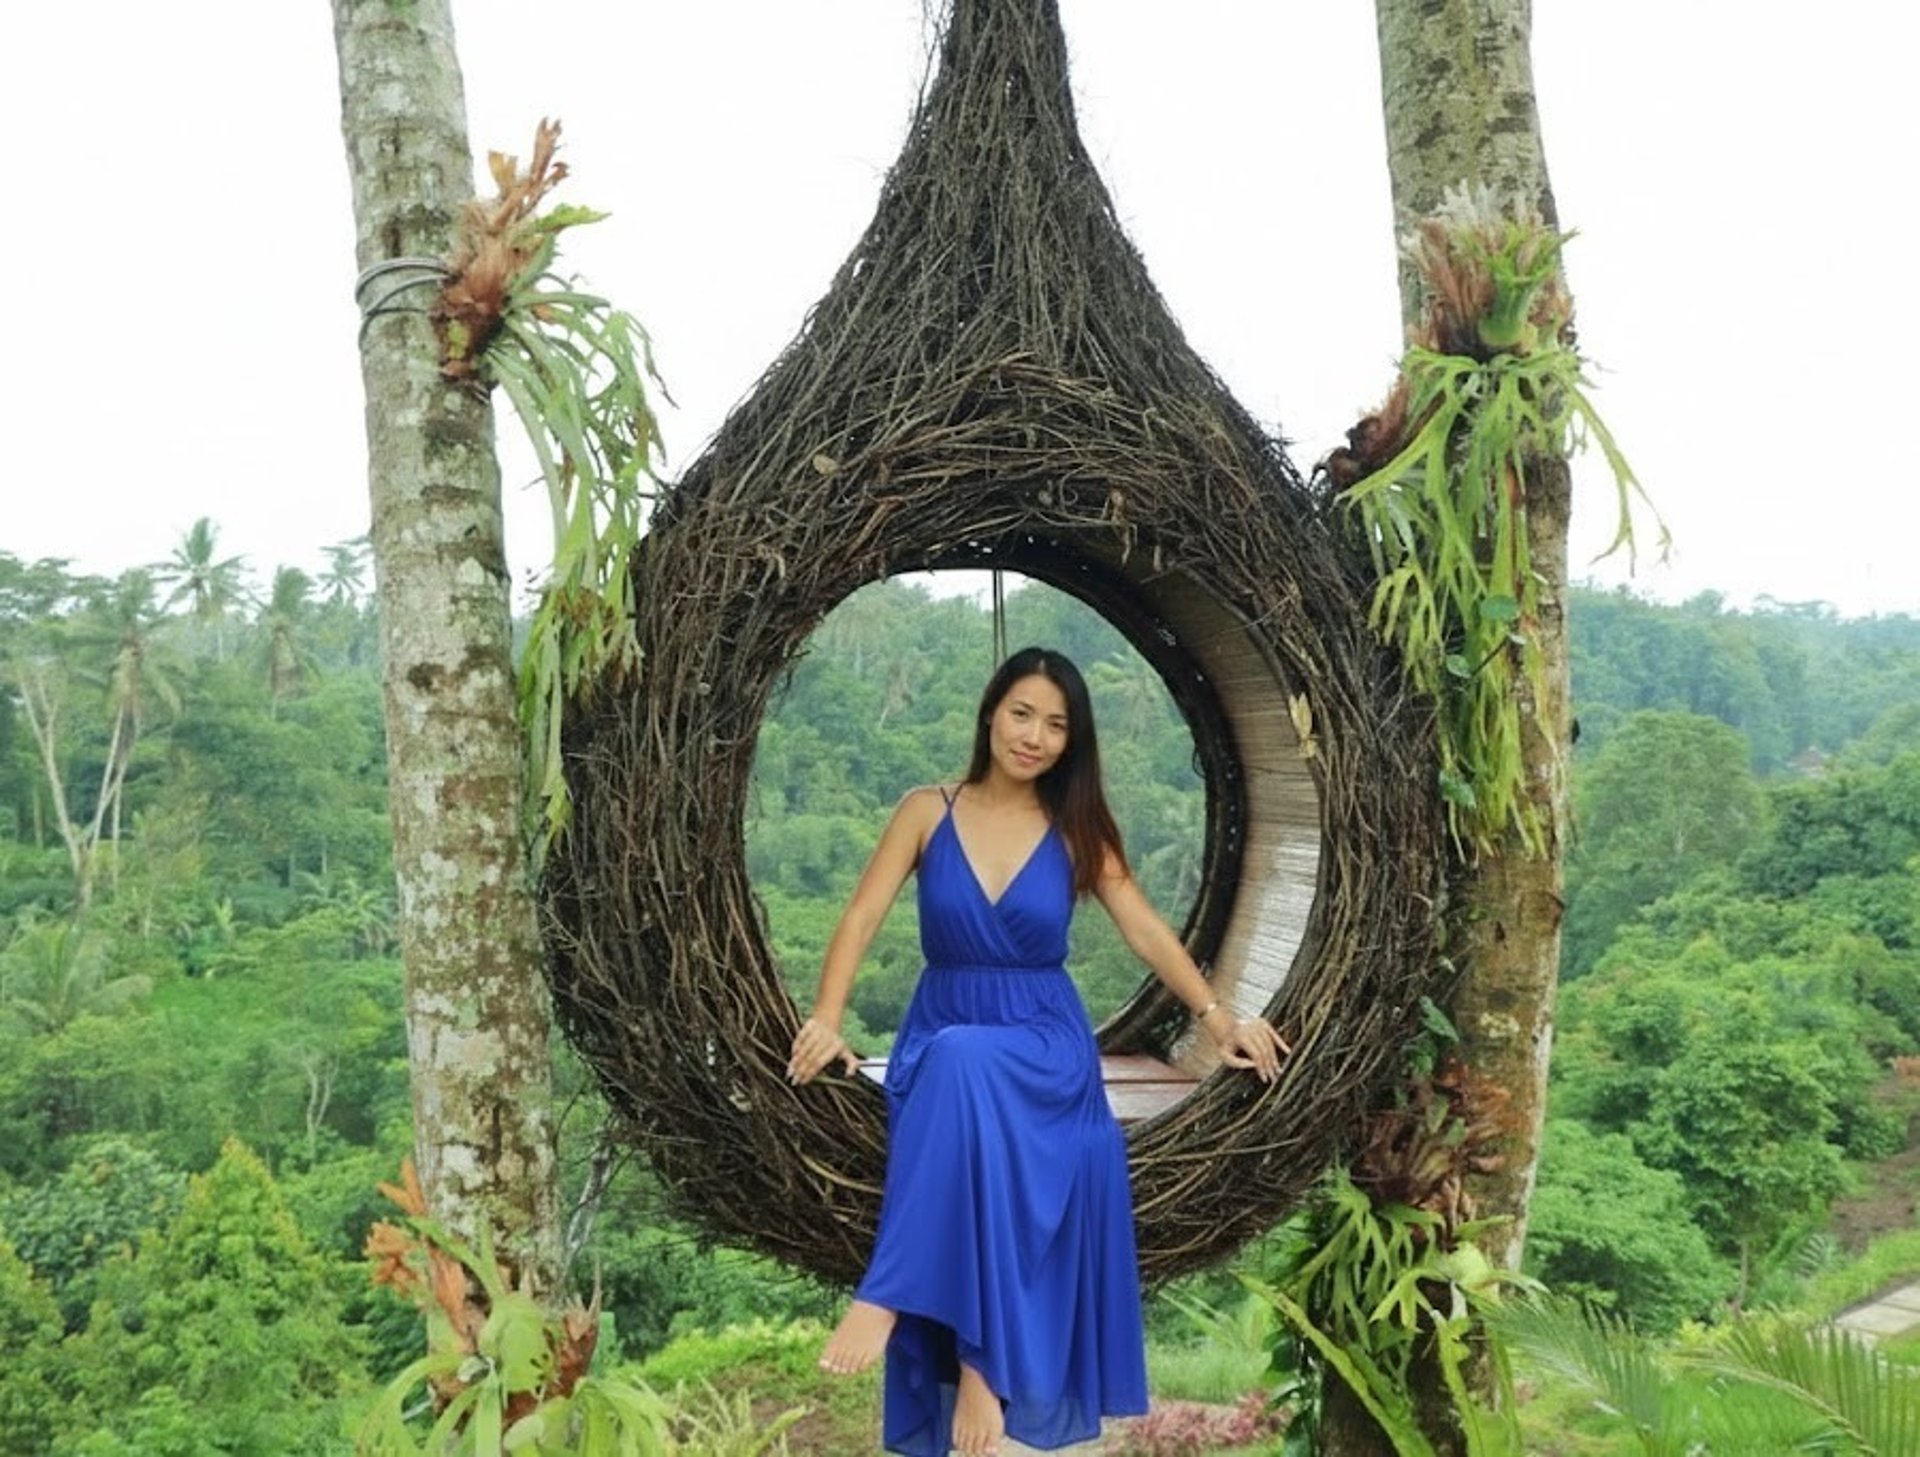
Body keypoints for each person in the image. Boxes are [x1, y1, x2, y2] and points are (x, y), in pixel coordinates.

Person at [787, 646, 1289, 1456]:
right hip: (945, 1020)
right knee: (954, 1065)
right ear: (991, 710)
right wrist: (827, 1016)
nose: (1036, 736)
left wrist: (1217, 1016)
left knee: (964, 1067)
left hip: (1044, 1040)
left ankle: (895, 1299)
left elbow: (1142, 925)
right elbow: (860, 915)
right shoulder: (926, 809)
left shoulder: (1075, 826)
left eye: (1057, 725)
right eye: (1023, 713)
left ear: (1072, 741)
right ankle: (981, 1365)